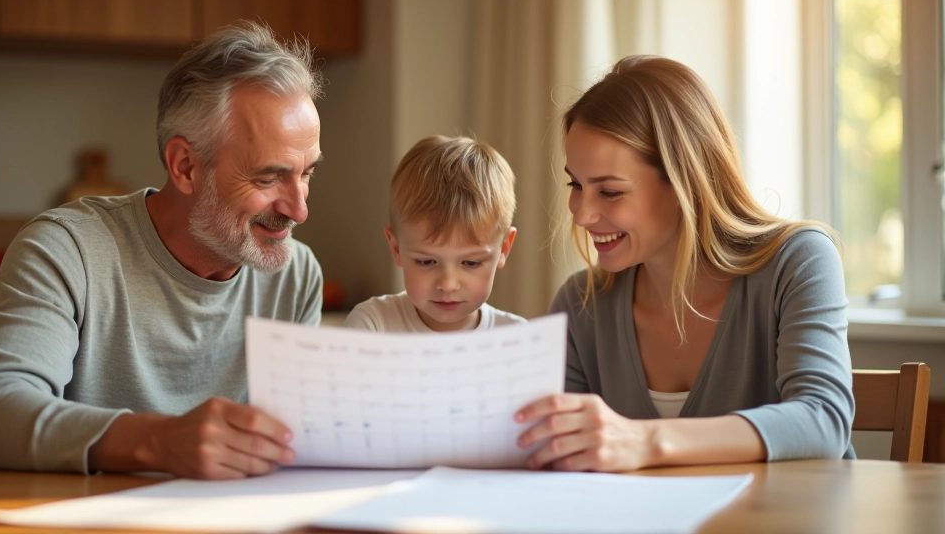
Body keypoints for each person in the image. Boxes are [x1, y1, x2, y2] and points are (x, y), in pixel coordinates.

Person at [0, 21, 324, 479]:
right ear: (185, 166)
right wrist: (158, 442)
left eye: (306, 173)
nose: (299, 210)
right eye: (269, 177)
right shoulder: (67, 251)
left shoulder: (296, 275)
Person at [514, 55, 854, 471]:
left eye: (610, 192)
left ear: (683, 182)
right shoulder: (581, 304)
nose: (581, 214)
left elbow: (824, 420)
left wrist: (645, 440)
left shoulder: (799, 262)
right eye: (576, 185)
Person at [344, 135, 524, 332]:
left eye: (471, 263)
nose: (447, 284)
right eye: (426, 262)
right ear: (396, 248)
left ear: (504, 248)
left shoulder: (518, 336)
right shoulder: (373, 324)